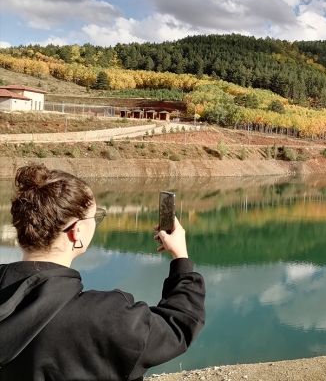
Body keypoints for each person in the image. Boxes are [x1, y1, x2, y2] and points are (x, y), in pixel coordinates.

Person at [0, 163, 206, 381]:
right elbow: (178, 327)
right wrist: (181, 259)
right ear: (76, 231)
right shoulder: (106, 319)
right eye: (95, 217)